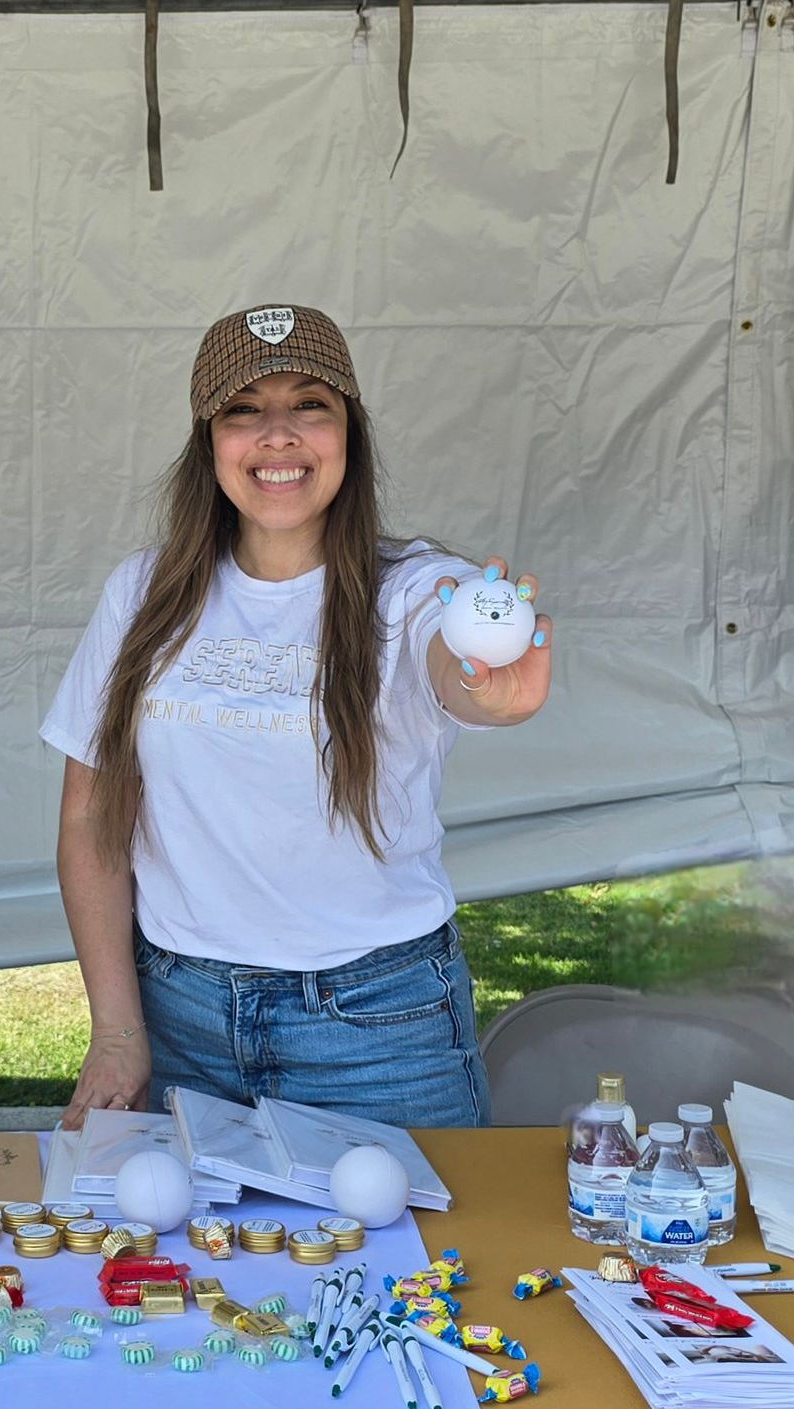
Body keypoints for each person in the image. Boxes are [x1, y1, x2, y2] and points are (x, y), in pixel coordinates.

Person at [42, 304, 552, 1132]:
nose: (278, 434)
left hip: (378, 1027)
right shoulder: (142, 595)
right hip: (183, 1019)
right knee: (187, 1263)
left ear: (350, 430)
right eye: (245, 409)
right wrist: (118, 1029)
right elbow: (91, 813)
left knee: (420, 1263)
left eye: (310, 403)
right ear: (209, 441)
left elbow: (454, 661)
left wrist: (486, 693)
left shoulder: (418, 589)